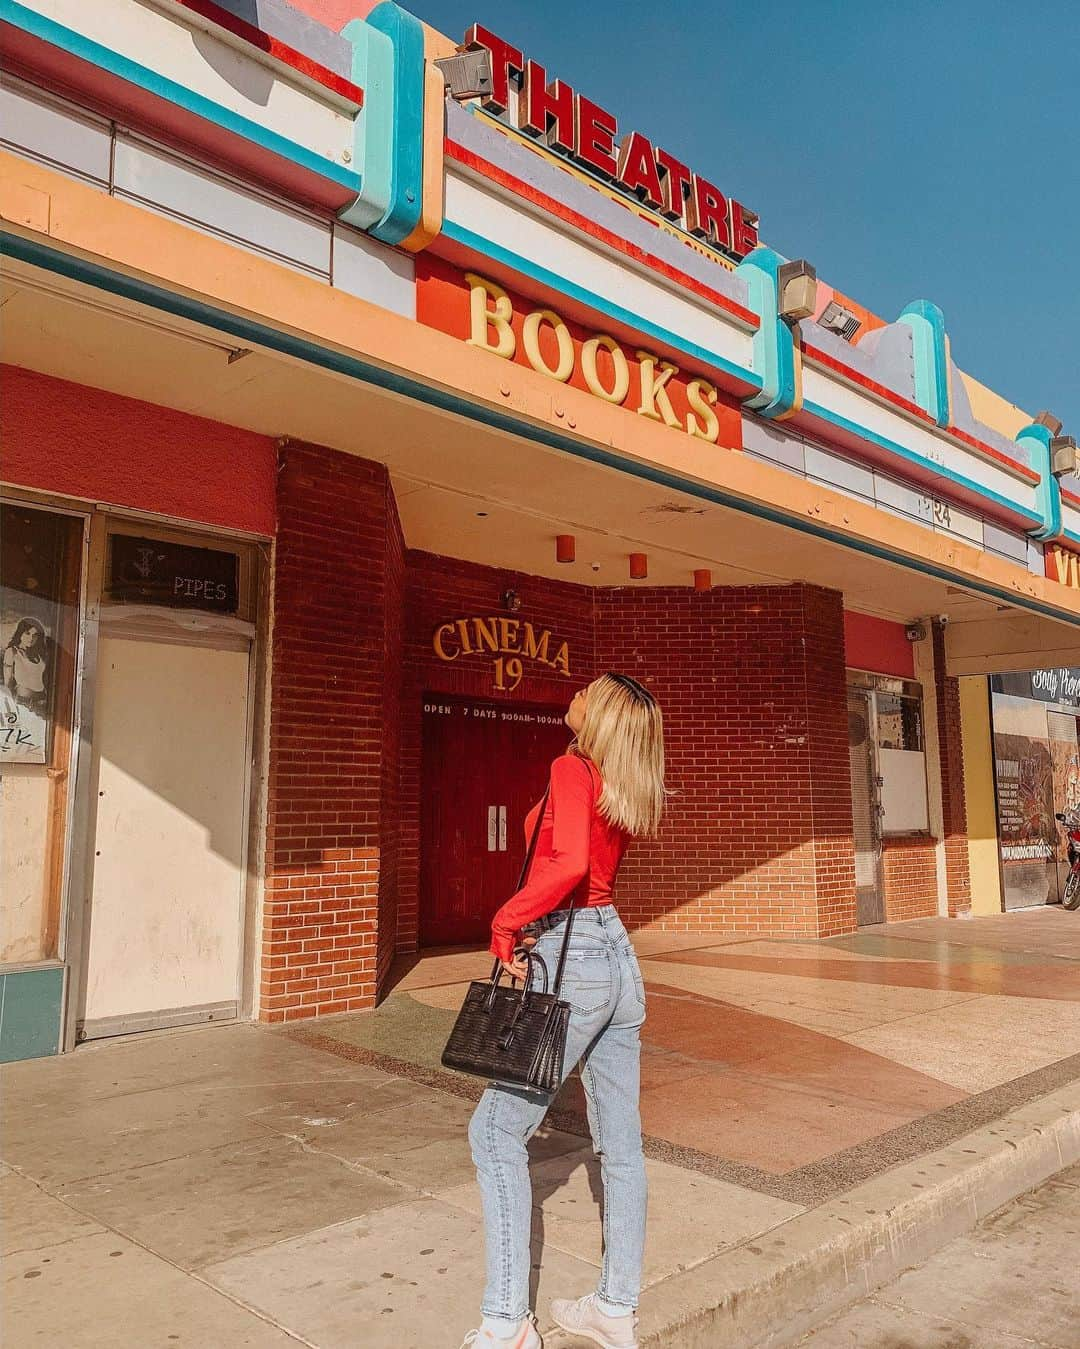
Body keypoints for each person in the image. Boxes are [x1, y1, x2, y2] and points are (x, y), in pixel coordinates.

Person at [461, 673, 666, 1349]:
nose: (572, 693)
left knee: (494, 1132)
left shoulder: (573, 766)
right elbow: (590, 867)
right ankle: (614, 1309)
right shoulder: (622, 781)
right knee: (621, 1145)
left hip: (573, 949)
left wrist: (507, 918)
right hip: (617, 957)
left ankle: (506, 1321)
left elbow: (569, 862)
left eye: (586, 689)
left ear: (596, 713)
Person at [3, 618, 48, 711]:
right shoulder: (12, 652)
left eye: (35, 635)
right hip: (23, 703)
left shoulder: (39, 655)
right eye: (27, 633)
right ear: (20, 633)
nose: (31, 638)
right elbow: (7, 683)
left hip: (42, 702)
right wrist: (8, 708)